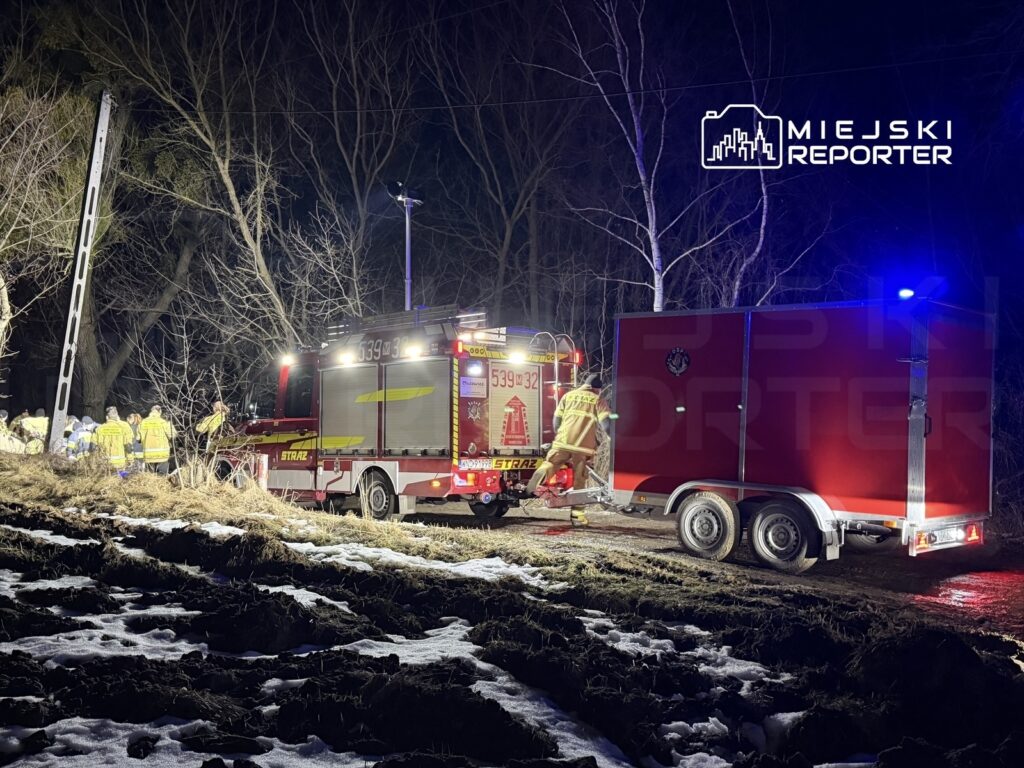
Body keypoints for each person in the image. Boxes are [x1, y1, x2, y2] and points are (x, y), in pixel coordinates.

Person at [526, 374, 611, 526]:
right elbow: (606, 423)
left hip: (562, 441)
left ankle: (538, 478)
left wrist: (560, 435)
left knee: (551, 463)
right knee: (580, 479)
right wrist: (613, 438)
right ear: (598, 388)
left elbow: (556, 420)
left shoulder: (568, 395)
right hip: (582, 446)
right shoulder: (597, 399)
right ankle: (577, 517)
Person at [94, 407, 134, 471]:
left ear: (107, 417)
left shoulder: (99, 429)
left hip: (105, 463)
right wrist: (130, 459)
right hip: (120, 463)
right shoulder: (124, 427)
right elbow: (128, 445)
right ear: (117, 416)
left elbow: (94, 446)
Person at [139, 406, 176, 475]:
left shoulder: (143, 422)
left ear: (151, 411)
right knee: (162, 476)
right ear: (160, 412)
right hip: (162, 454)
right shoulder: (163, 422)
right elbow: (172, 435)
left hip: (148, 454)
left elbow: (138, 438)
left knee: (149, 476)